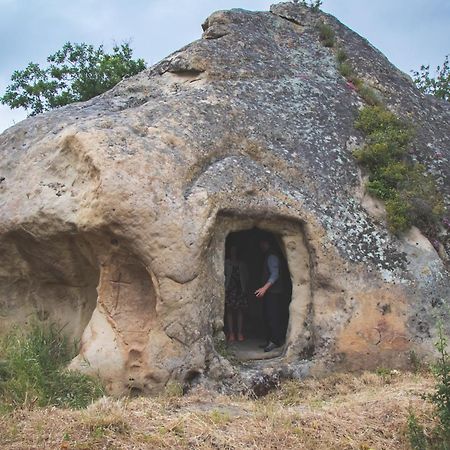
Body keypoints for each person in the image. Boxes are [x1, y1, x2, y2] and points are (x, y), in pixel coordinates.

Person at [255, 236, 285, 352]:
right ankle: (270, 340)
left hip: (274, 292)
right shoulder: (269, 255)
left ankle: (275, 341)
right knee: (268, 316)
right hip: (271, 292)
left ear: (265, 242)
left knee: (273, 317)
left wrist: (264, 288)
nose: (260, 246)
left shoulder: (272, 256)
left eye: (261, 243)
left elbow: (275, 275)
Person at [224, 245, 249, 342]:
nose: (233, 252)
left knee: (240, 311)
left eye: (235, 250)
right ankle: (231, 333)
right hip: (230, 289)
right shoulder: (227, 263)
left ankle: (239, 333)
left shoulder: (242, 263)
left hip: (240, 289)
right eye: (232, 250)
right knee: (229, 311)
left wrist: (245, 288)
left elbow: (246, 276)